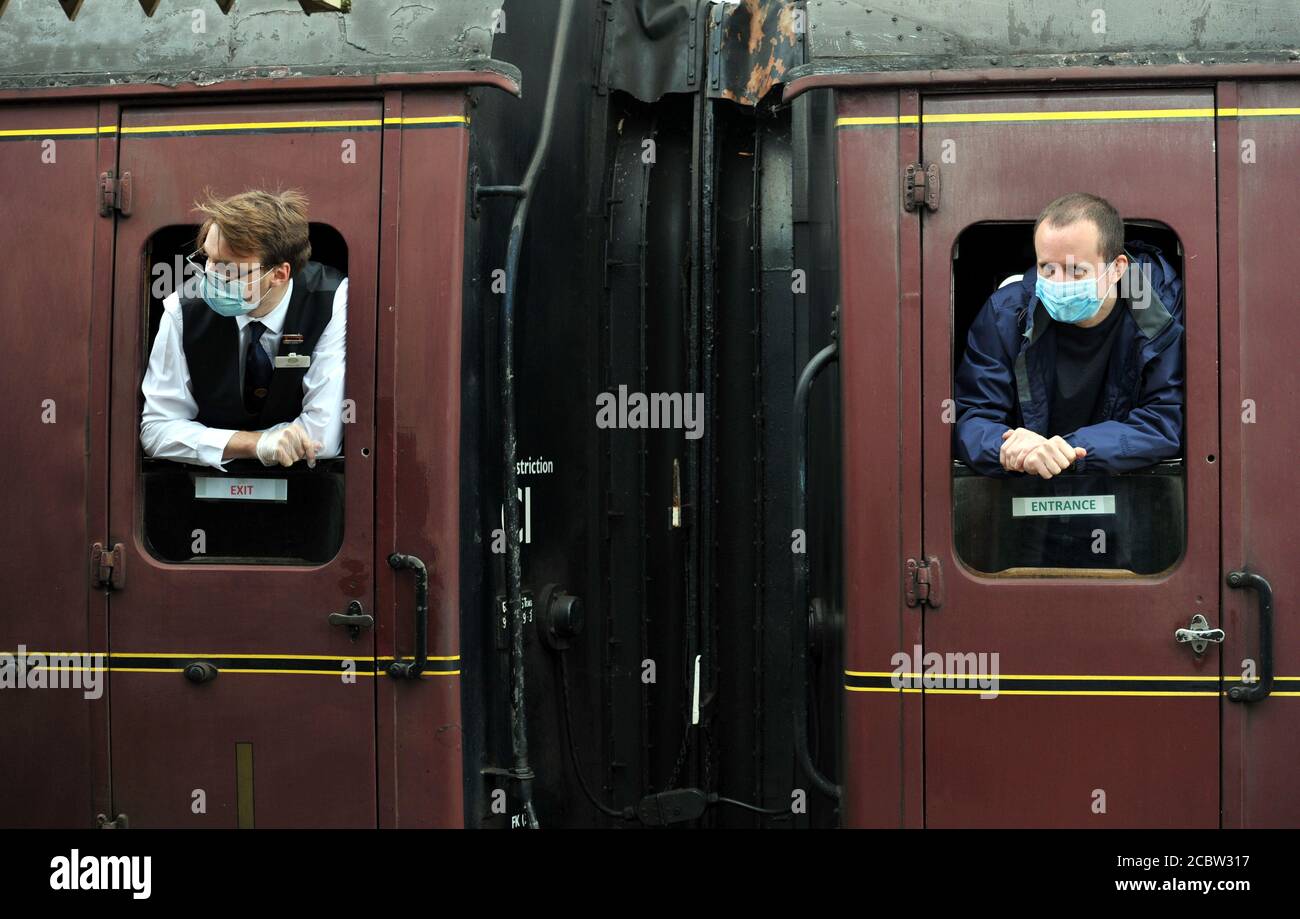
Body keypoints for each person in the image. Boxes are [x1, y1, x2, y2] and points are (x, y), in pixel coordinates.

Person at [954, 192, 1184, 480]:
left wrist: (1069, 451)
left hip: (1131, 500)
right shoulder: (1006, 314)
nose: (1058, 282)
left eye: (1076, 270)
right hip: (1021, 502)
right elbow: (973, 418)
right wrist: (1007, 447)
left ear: (1117, 269)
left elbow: (1164, 421)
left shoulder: (1158, 313)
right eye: (1047, 268)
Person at [140, 188, 347, 470]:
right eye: (209, 258)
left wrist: (208, 442)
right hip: (193, 494)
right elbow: (156, 430)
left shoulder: (331, 299)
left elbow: (322, 436)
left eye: (228, 268)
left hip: (312, 493)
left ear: (278, 274)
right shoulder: (182, 310)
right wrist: (256, 445)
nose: (211, 275)